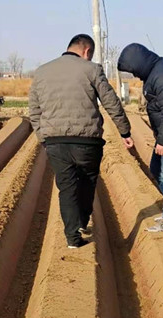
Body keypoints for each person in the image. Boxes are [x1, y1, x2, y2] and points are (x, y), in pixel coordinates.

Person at [29, 34, 133, 248]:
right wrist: (124, 131)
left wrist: (43, 137)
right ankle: (83, 222)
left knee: (66, 187)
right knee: (87, 182)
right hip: (87, 141)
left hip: (56, 141)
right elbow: (111, 102)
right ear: (87, 51)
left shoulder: (41, 72)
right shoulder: (92, 69)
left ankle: (72, 238)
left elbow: (34, 111)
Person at [117, 43, 163, 232]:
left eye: (133, 70)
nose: (135, 75)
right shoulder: (156, 71)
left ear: (138, 64)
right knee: (156, 169)